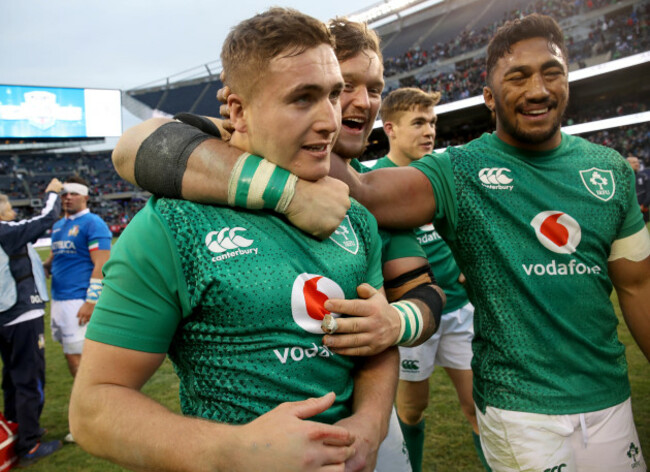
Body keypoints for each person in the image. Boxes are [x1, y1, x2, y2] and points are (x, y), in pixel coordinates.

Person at [114, 13, 649, 471]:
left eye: (372, 87)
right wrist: (288, 192)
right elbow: (136, 146)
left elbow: (423, 294)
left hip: (368, 436)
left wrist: (394, 328)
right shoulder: (188, 211)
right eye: (334, 87)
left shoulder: (365, 209)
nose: (357, 103)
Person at [70, 9, 405, 471]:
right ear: (238, 110)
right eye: (302, 99)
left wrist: (369, 425)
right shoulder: (171, 226)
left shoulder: (354, 218)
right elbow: (93, 409)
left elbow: (376, 343)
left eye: (332, 94)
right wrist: (236, 450)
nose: (331, 119)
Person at [374, 87, 488, 472]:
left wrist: (465, 262)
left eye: (433, 122)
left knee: (477, 406)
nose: (429, 131)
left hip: (457, 308)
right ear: (390, 128)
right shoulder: (373, 180)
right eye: (418, 122)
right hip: (409, 316)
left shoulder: (443, 173)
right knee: (411, 409)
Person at [42, 175, 111, 442]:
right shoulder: (59, 225)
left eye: (72, 193)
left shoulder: (93, 223)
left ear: (85, 196)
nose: (67, 197)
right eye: (64, 194)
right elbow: (53, 259)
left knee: (80, 361)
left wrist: (91, 301)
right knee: (72, 359)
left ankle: (93, 420)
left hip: (78, 300)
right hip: (58, 300)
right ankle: (91, 414)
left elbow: (101, 264)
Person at [0, 179, 63, 466]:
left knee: (12, 378)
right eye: (9, 207)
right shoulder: (5, 231)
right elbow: (47, 217)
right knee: (29, 378)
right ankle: (30, 444)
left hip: (5, 316)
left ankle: (17, 429)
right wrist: (52, 192)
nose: (13, 211)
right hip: (22, 313)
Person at [627, 156, 650, 223]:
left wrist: (644, 205)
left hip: (642, 209)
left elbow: (649, 193)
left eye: (637, 162)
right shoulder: (623, 178)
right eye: (634, 162)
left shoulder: (644, 177)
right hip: (629, 211)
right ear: (627, 164)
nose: (637, 164)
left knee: (644, 231)